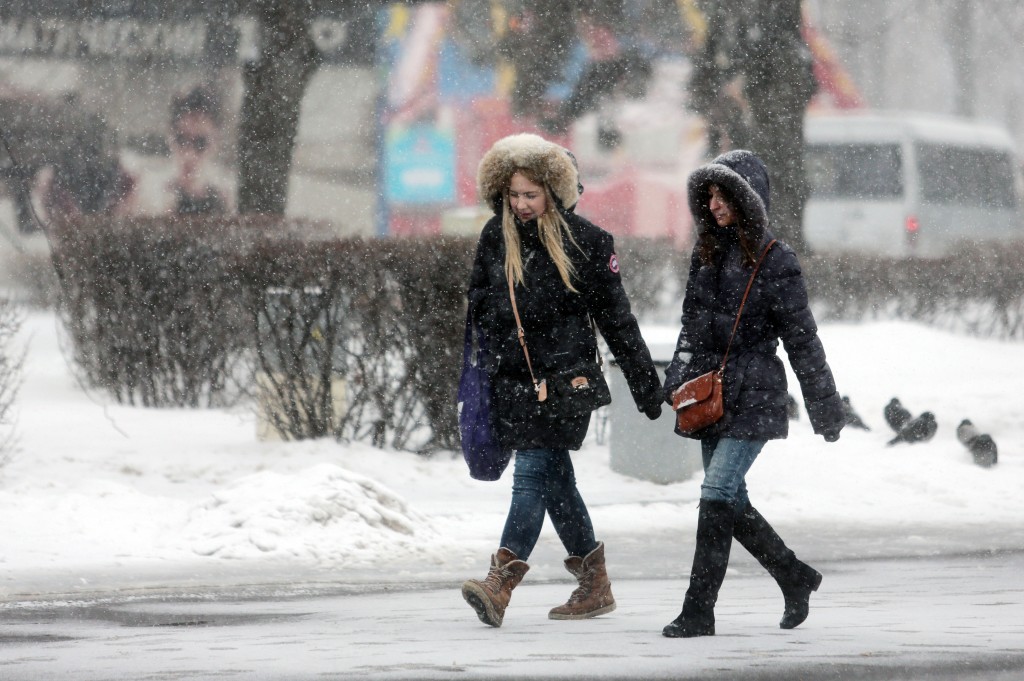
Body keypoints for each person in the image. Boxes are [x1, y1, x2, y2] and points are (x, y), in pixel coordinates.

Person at [461, 132, 663, 628]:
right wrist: (498, 323)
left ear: (554, 191)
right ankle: (594, 584)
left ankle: (500, 582)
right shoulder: (495, 236)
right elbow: (478, 303)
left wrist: (645, 386)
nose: (521, 204)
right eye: (514, 194)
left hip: (566, 386)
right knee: (556, 484)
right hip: (515, 383)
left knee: (531, 473)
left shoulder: (587, 242)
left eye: (531, 194)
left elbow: (617, 320)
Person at [661, 150, 845, 638]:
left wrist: (824, 406)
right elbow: (691, 329)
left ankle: (698, 610)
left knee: (716, 493)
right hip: (710, 398)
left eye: (724, 195)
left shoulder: (776, 259)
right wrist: (676, 377)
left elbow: (802, 339)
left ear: (748, 199)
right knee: (731, 502)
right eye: (711, 196)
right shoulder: (705, 254)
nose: (715, 205)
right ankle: (793, 575)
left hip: (756, 393)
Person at [166, 86, 228, 215]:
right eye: (181, 140)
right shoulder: (149, 198)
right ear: (170, 138)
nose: (189, 155)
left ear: (216, 143)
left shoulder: (227, 198)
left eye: (200, 143)